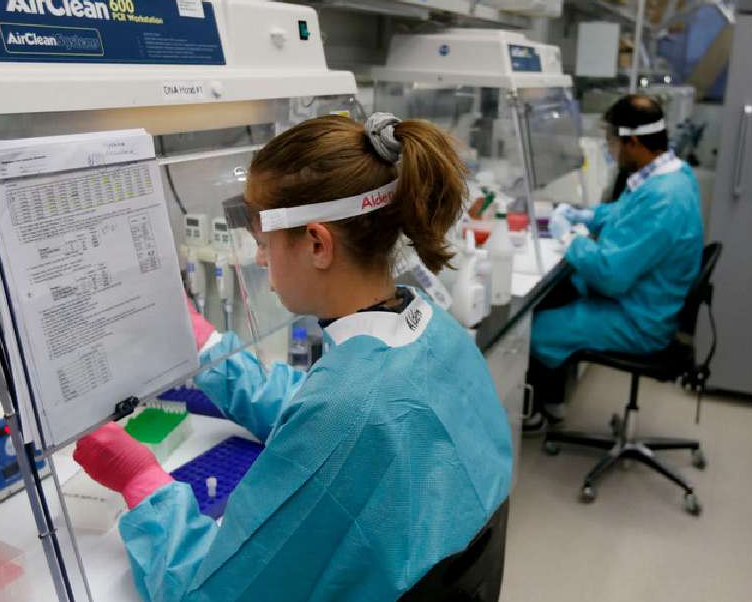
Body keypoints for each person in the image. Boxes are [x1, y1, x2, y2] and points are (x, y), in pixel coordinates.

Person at [73, 114, 513, 602]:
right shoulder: (429, 327)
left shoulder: (347, 412)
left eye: (264, 244)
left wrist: (142, 483)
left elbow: (209, 595)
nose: (261, 261)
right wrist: (210, 350)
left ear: (318, 244)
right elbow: (316, 405)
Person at [524, 94, 704, 431]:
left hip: (639, 319)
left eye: (611, 141)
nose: (610, 149)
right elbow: (626, 211)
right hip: (645, 299)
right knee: (558, 295)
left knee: (536, 330)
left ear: (633, 142)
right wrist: (588, 216)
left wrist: (569, 239)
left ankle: (535, 413)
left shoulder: (665, 198)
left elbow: (610, 275)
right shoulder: (671, 173)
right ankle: (553, 399)